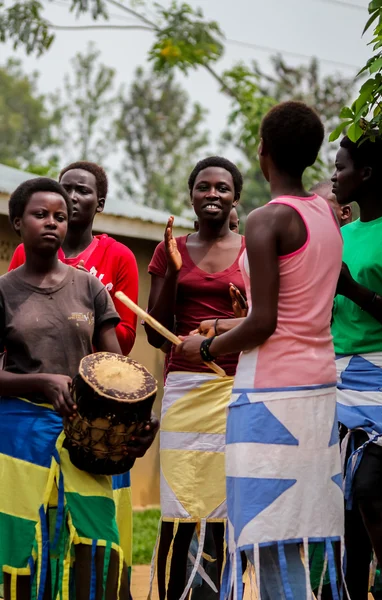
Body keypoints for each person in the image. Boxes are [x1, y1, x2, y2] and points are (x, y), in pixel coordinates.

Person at [177, 102, 344, 599]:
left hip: (270, 395)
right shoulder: (324, 215)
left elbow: (266, 323)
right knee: (295, 533)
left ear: (263, 151)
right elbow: (300, 311)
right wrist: (226, 324)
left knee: (268, 537)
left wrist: (205, 347)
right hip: (318, 388)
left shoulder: (266, 219)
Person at [0, 178, 158, 600]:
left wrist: (143, 421)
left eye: (60, 216)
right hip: (18, 435)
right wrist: (41, 381)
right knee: (22, 546)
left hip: (85, 436)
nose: (52, 222)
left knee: (96, 540)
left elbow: (118, 372)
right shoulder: (4, 291)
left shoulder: (88, 287)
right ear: (18, 222)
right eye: (39, 215)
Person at [145, 156, 246, 600]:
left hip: (235, 387)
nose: (212, 194)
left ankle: (221, 592)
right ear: (191, 194)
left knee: (225, 505)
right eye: (203, 186)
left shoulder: (250, 250)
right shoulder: (171, 249)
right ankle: (173, 592)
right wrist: (169, 267)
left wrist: (240, 316)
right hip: (184, 388)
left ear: (235, 198)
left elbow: (263, 323)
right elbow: (154, 331)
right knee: (180, 504)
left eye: (222, 188)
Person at [331, 135, 382, 600]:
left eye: (341, 167)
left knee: (373, 487)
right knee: (347, 504)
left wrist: (354, 290)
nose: (335, 176)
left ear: (367, 174)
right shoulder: (340, 236)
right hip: (334, 376)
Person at [9, 161, 139, 356]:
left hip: (91, 375)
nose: (72, 197)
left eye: (83, 191)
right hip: (32, 369)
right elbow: (10, 321)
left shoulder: (119, 256)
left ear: (100, 203)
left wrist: (91, 302)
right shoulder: (27, 251)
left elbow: (125, 343)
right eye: (65, 189)